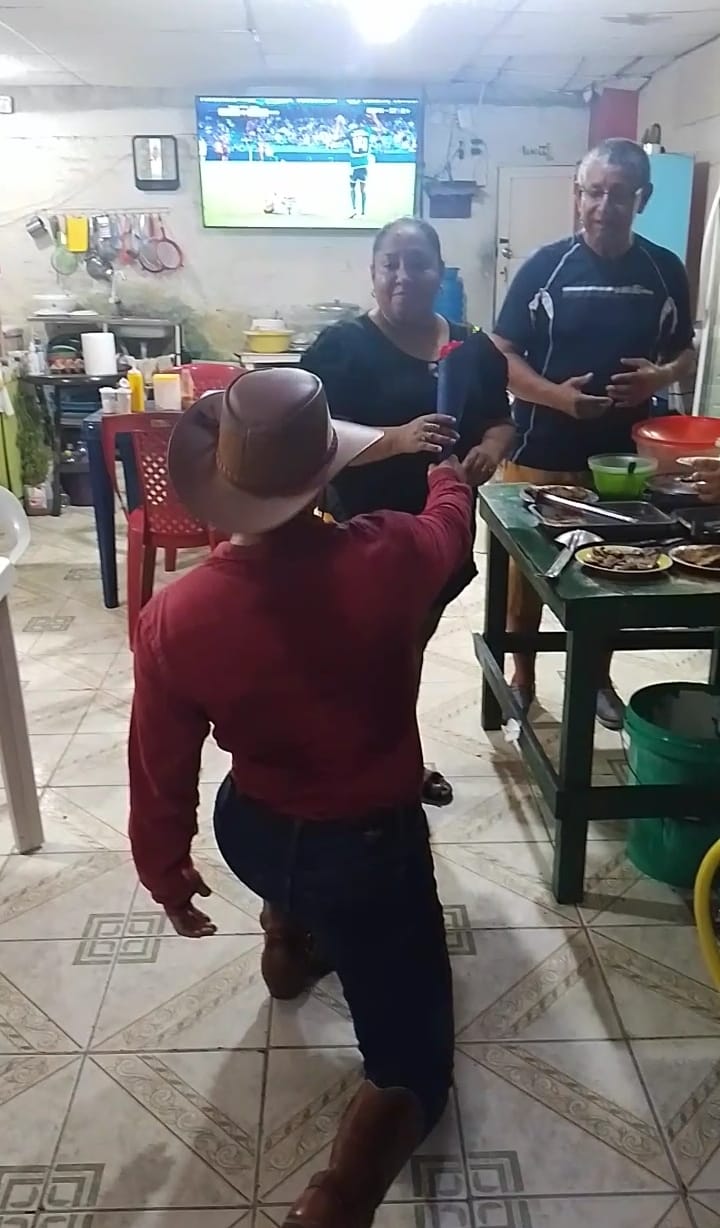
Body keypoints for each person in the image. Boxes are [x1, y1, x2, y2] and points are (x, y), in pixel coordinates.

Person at [129, 367, 474, 1228]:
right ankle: (336, 1202)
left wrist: (166, 873)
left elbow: (159, 767)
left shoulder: (177, 615)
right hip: (368, 851)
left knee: (290, 852)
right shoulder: (389, 555)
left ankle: (288, 944)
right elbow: (448, 530)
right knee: (411, 1065)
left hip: (251, 829)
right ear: (326, 476)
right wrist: (449, 477)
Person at [301, 216, 514, 804]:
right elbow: (309, 437)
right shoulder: (341, 349)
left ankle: (394, 760)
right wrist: (395, 440)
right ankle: (359, 762)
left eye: (417, 263)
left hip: (438, 535)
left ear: (439, 272)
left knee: (407, 650)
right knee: (362, 656)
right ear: (372, 273)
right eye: (389, 263)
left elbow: (501, 421)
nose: (403, 275)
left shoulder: (471, 348)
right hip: (359, 536)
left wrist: (490, 451)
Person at [492, 138, 696, 729]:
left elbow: (684, 352)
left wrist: (660, 376)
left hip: (624, 459)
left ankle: (596, 676)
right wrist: (558, 397)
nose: (605, 207)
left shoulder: (664, 269)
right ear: (577, 195)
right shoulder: (545, 267)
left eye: (619, 195)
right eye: (594, 193)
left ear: (642, 199)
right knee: (528, 577)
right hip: (541, 450)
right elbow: (500, 354)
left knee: (615, 570)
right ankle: (523, 673)